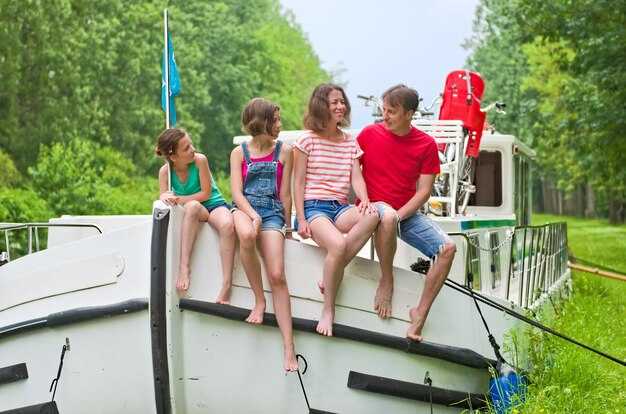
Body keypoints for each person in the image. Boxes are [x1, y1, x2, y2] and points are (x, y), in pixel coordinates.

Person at [357, 84, 456, 341]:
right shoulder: (368, 134)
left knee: (448, 249)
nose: (385, 116)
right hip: (373, 209)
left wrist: (399, 216)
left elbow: (424, 192)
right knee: (387, 217)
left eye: (392, 111)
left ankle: (419, 314)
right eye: (384, 110)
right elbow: (351, 173)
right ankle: (386, 279)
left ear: (410, 114)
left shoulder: (426, 144)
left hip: (405, 214)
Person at [294, 84, 379, 337]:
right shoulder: (306, 140)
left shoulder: (349, 141)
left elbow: (356, 178)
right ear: (322, 106)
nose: (341, 106)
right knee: (338, 245)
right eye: (334, 102)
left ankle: (332, 271)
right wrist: (301, 218)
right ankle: (328, 310)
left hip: (340, 207)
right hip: (314, 208)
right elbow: (297, 182)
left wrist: (365, 200)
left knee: (373, 214)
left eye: (342, 102)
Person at [230, 98, 298, 371]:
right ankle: (259, 300)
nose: (280, 125)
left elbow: (285, 195)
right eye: (276, 120)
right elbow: (236, 193)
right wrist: (252, 215)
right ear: (262, 122)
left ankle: (289, 347)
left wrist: (288, 229)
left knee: (278, 275)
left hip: (272, 213)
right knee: (247, 236)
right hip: (244, 209)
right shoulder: (239, 153)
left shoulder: (285, 151)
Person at [156, 128, 235, 303]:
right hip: (193, 209)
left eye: (191, 144)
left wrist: (178, 200)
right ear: (173, 157)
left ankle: (227, 284)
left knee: (227, 225)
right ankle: (184, 268)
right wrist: (164, 197)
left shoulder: (200, 160)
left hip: (213, 205)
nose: (192, 149)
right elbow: (163, 197)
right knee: (192, 207)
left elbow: (205, 194)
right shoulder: (165, 173)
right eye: (186, 148)